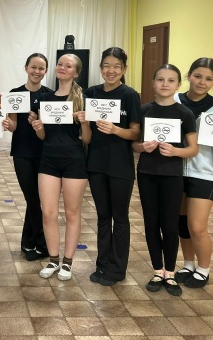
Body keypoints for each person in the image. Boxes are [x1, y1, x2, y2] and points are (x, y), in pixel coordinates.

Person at [133, 64, 198, 297]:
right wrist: (143, 147)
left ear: (178, 85)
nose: (165, 84)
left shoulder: (185, 113)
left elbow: (193, 149)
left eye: (171, 80)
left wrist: (175, 151)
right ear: (153, 83)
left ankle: (170, 272)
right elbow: (134, 144)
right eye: (160, 79)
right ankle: (157, 271)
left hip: (172, 176)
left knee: (170, 225)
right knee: (151, 223)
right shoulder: (143, 110)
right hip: (147, 174)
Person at [174, 58, 213, 288]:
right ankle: (188, 264)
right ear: (189, 76)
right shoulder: (173, 100)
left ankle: (203, 269)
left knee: (197, 226)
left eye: (209, 79)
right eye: (198, 76)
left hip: (204, 174)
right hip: (175, 171)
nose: (202, 82)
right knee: (182, 224)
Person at [31, 54, 91, 281]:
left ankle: (67, 262)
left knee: (72, 213)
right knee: (48, 213)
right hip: (48, 160)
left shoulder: (83, 99)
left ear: (76, 72)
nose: (62, 68)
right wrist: (38, 128)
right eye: (60, 64)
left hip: (75, 161)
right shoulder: (44, 98)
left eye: (68, 66)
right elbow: (43, 136)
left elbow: (87, 139)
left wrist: (85, 122)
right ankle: (53, 259)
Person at [85, 47, 142, 286]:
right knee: (102, 216)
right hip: (96, 163)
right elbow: (86, 134)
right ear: (100, 68)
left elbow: (135, 132)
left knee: (119, 217)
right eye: (107, 66)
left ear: (124, 69)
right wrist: (82, 121)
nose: (111, 70)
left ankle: (118, 268)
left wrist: (115, 129)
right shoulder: (91, 93)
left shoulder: (130, 95)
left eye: (117, 66)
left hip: (121, 166)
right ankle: (102, 264)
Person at [0, 53, 53, 261]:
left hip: (45, 154)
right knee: (32, 198)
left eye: (41, 68)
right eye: (33, 67)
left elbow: (53, 128)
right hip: (22, 153)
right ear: (26, 68)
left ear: (46, 71)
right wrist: (4, 116)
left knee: (37, 199)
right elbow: (13, 126)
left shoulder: (49, 95)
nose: (37, 71)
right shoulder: (15, 94)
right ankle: (41, 243)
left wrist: (39, 122)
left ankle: (28, 242)